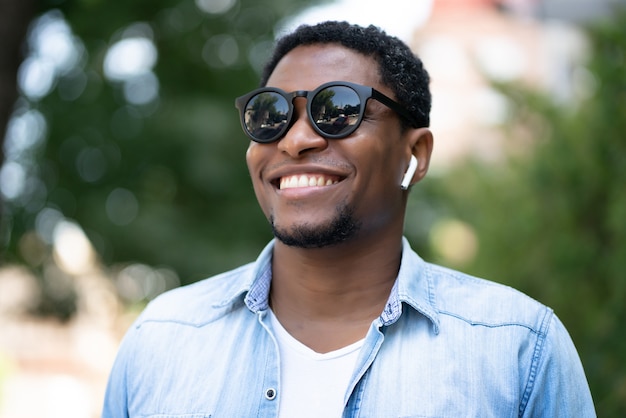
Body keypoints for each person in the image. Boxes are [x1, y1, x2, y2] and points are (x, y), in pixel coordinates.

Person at [102, 21, 595, 417]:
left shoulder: (518, 350)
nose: (295, 141)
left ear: (415, 153)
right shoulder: (162, 339)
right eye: (270, 114)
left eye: (337, 111)